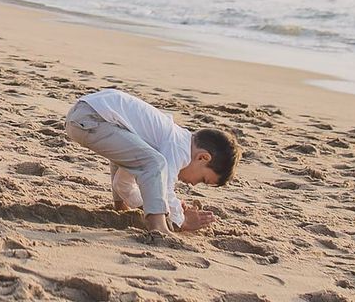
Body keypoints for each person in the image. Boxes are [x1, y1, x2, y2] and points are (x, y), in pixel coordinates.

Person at [64, 87, 239, 237]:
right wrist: (181, 219)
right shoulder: (178, 146)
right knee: (156, 164)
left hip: (86, 115)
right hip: (92, 118)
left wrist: (166, 206)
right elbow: (165, 186)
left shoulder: (168, 139)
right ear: (203, 157)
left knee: (134, 155)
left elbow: (123, 183)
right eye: (202, 179)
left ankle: (120, 207)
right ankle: (158, 228)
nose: (193, 184)